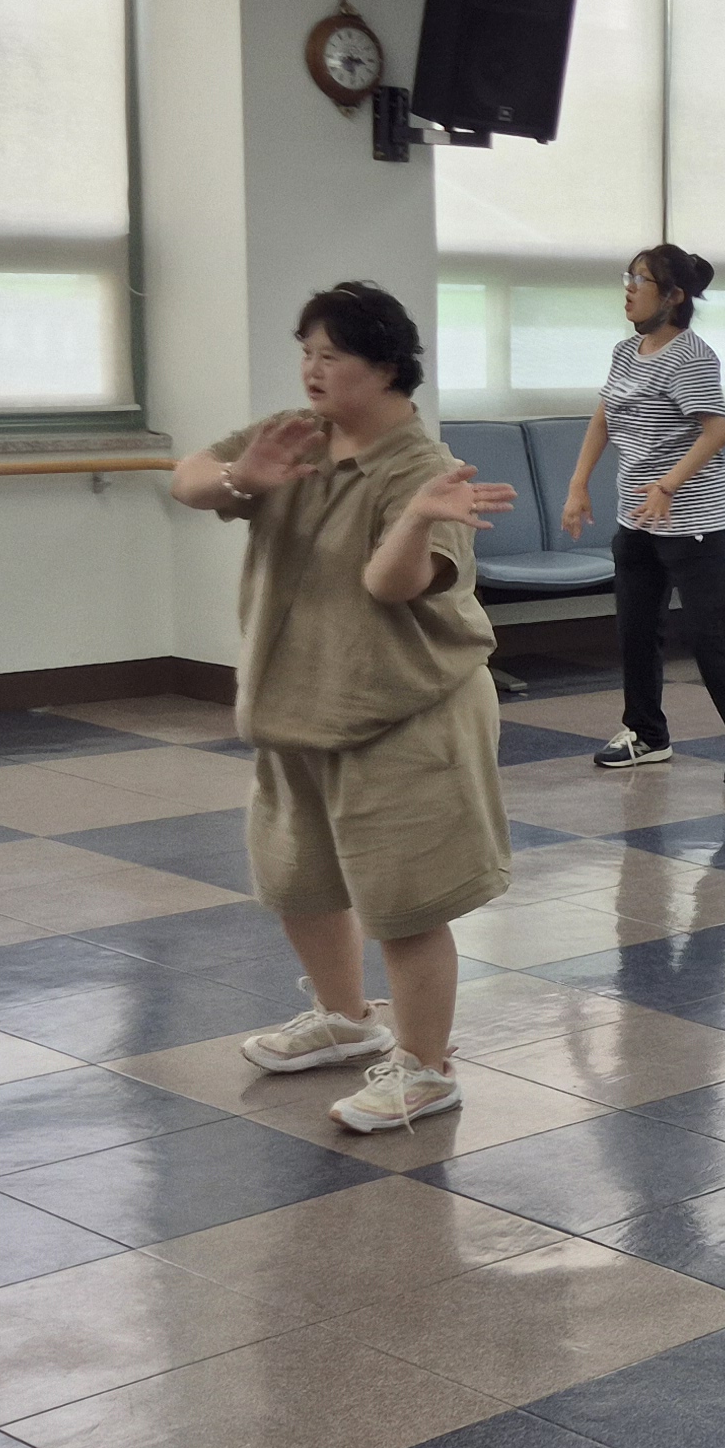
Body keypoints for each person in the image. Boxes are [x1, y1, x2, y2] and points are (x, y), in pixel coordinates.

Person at [167, 283, 515, 1132]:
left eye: (331, 356)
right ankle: (345, 1018)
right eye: (306, 353)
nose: (311, 370)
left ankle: (426, 1068)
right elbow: (188, 479)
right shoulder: (296, 434)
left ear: (386, 367)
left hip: (406, 709)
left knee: (406, 901)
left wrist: (416, 521)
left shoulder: (426, 473)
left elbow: (392, 585)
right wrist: (239, 478)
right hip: (298, 704)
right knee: (300, 878)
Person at [562, 243, 725, 789]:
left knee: (708, 634)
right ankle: (646, 734)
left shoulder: (692, 357)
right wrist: (579, 484)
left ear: (674, 296)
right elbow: (604, 417)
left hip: (695, 520)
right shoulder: (626, 351)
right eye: (628, 277)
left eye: (641, 280)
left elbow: (717, 432)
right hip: (637, 518)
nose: (629, 289)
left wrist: (667, 486)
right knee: (636, 629)